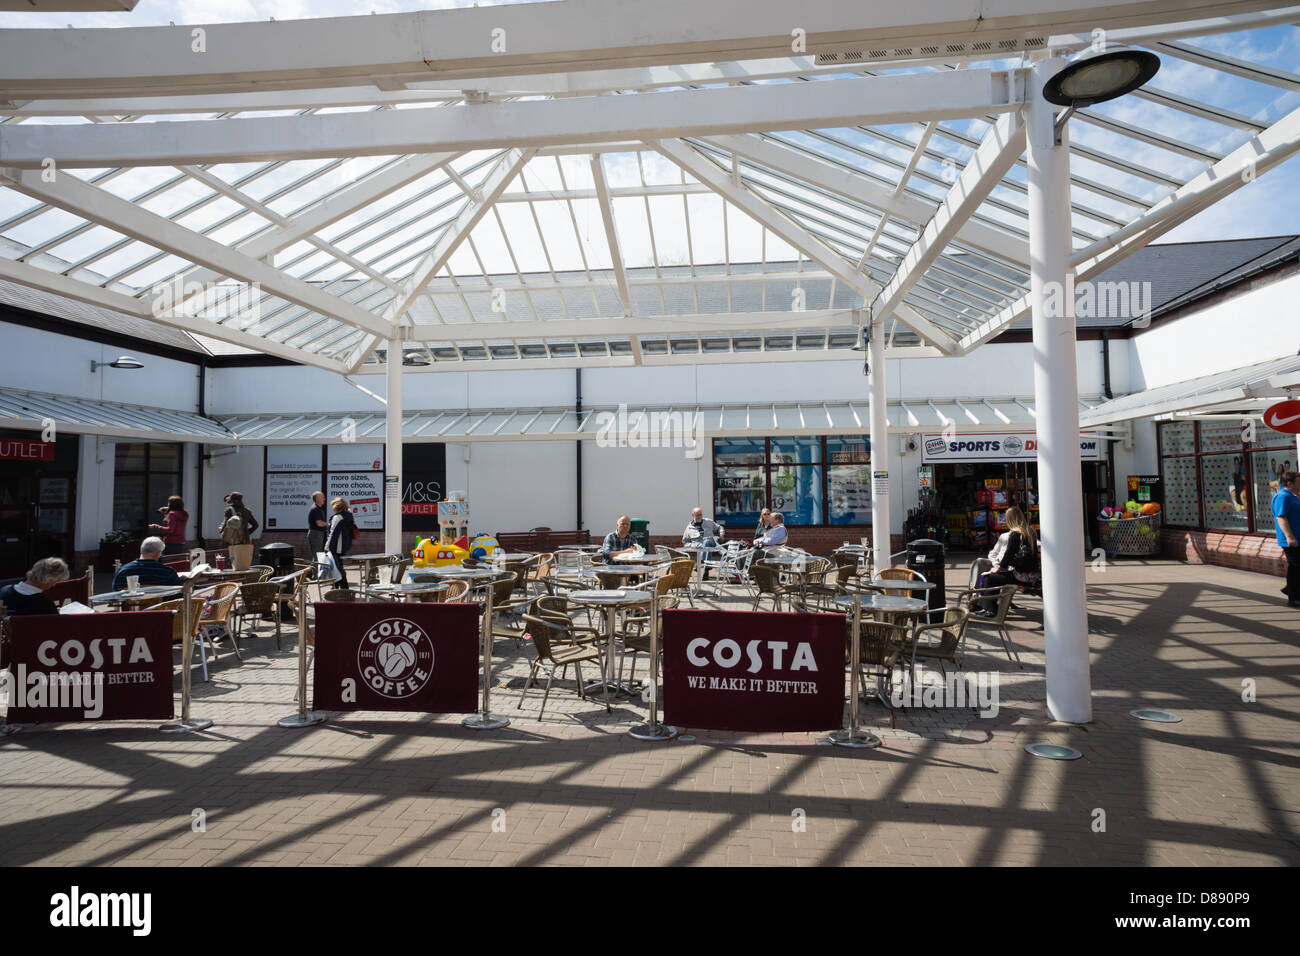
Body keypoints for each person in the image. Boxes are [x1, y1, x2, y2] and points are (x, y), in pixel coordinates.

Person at [973, 507, 1039, 616]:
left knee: (989, 578)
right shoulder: (1030, 531)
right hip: (1032, 574)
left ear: (1009, 519)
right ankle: (987, 608)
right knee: (992, 578)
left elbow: (1009, 555)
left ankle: (991, 610)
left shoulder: (1015, 534)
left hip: (1021, 575)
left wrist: (998, 567)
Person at [0, 557, 70, 616]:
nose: (54, 584)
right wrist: (53, 612)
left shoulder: (3, 591)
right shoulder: (44, 604)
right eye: (56, 581)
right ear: (50, 580)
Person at [1271, 470, 1300, 609]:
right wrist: (1290, 537)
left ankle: (1290, 589)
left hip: (1297, 538)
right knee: (1295, 568)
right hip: (1291, 540)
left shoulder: (1294, 495)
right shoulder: (1283, 496)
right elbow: (1281, 517)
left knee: (1297, 568)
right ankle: (1293, 598)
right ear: (1290, 483)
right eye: (1299, 482)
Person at [112, 537, 183, 592]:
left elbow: (116, 590)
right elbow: (179, 591)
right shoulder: (168, 572)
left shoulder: (123, 571)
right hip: (162, 609)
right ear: (158, 553)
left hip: (131, 609)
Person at [219, 491, 259, 571]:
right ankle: (243, 580)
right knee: (243, 564)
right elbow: (256, 525)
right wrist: (247, 533)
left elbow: (224, 527)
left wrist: (222, 532)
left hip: (232, 542)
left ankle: (232, 580)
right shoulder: (247, 511)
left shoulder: (229, 511)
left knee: (232, 562)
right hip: (245, 541)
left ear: (233, 500)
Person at [325, 497, 357, 589]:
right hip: (343, 547)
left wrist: (327, 548)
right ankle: (337, 589)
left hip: (335, 547)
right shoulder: (348, 516)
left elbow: (333, 534)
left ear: (336, 508)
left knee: (337, 569)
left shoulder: (338, 518)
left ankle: (344, 589)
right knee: (338, 568)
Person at [307, 490, 329, 557]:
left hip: (318, 534)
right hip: (316, 534)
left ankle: (316, 567)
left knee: (319, 556)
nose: (324, 499)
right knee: (318, 556)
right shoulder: (315, 509)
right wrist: (329, 524)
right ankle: (315, 567)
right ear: (317, 499)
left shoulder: (319, 508)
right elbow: (319, 523)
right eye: (322, 497)